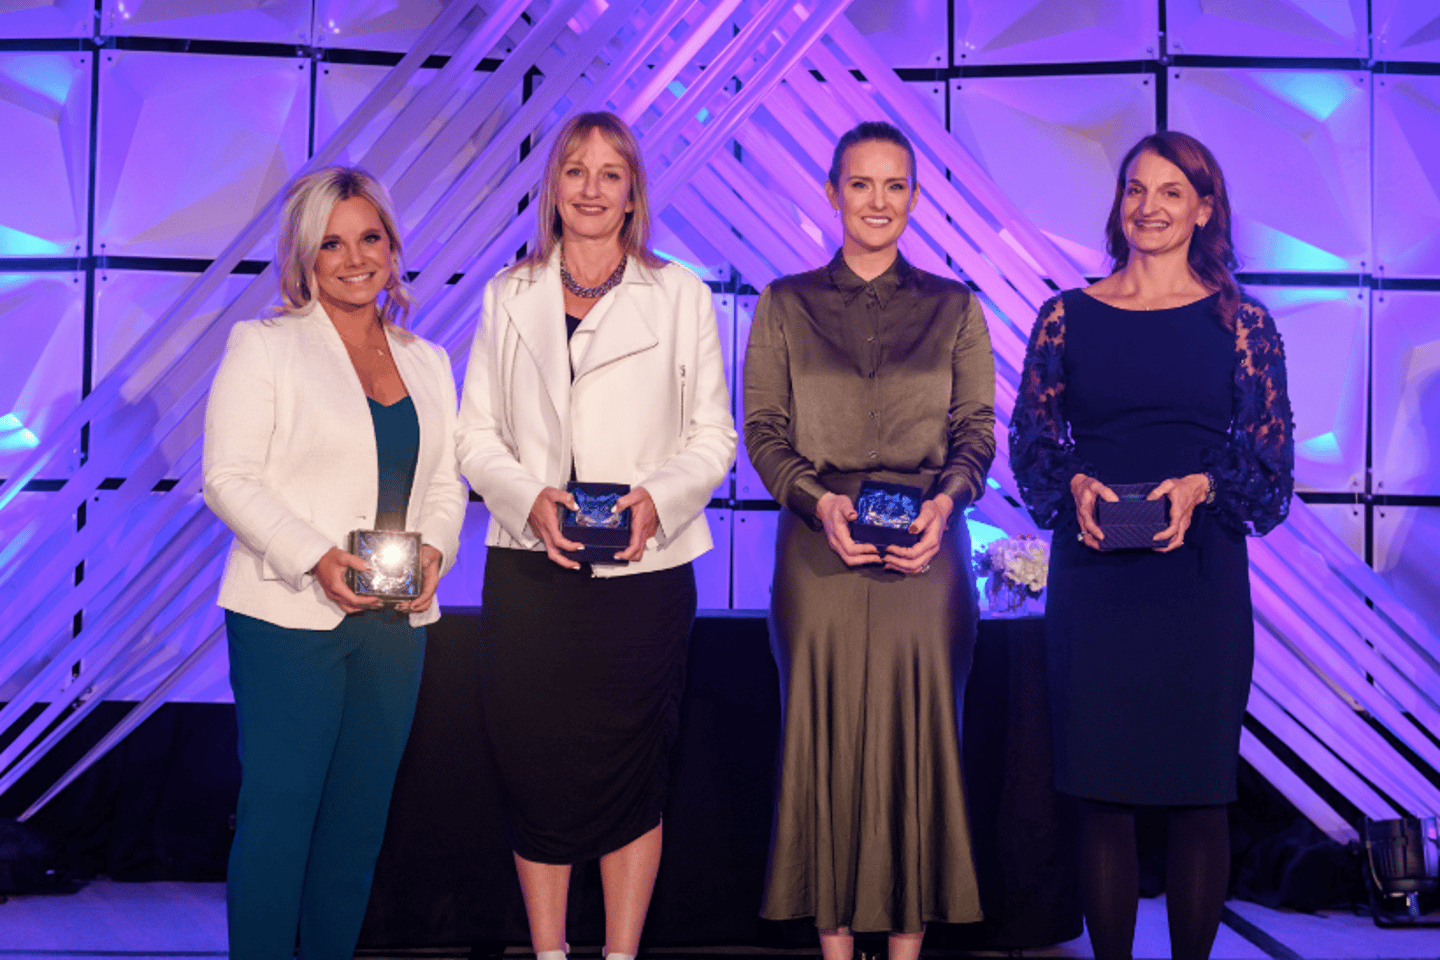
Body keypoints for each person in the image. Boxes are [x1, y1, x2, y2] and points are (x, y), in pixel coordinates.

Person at [455, 110, 735, 960]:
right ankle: (549, 955)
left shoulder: (680, 292)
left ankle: (618, 957)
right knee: (534, 770)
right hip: (531, 572)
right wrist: (526, 497)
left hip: (643, 575)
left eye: (609, 173)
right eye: (574, 170)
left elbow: (713, 435)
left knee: (632, 774)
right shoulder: (508, 294)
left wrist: (658, 497)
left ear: (632, 194)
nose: (590, 187)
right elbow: (474, 437)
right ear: (553, 187)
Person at [1009, 131, 1294, 960]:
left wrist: (1202, 485)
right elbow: (1031, 440)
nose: (1150, 207)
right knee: (1103, 797)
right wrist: (1073, 486)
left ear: (1205, 209)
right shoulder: (1065, 315)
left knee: (1201, 796)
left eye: (1172, 191)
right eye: (1136, 189)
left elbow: (1270, 469)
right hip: (1096, 579)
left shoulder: (1243, 323)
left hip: (1199, 583)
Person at [743, 120, 993, 959]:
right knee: (821, 747)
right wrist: (819, 505)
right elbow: (765, 433)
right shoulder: (785, 303)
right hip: (818, 550)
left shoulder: (956, 306)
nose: (878, 201)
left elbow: (975, 432)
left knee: (921, 747)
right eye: (861, 184)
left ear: (916, 198)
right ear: (831, 194)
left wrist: (947, 506)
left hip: (928, 547)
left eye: (895, 186)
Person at [203, 166, 467, 959]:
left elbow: (447, 482)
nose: (355, 258)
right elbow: (226, 478)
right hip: (290, 621)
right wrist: (315, 558)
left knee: (357, 831)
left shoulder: (428, 360)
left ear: (391, 246)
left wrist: (435, 550)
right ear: (305, 257)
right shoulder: (266, 345)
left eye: (370, 238)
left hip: (396, 626)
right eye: (332, 243)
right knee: (280, 824)